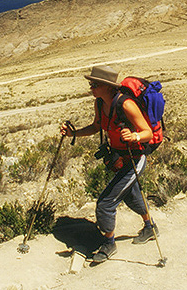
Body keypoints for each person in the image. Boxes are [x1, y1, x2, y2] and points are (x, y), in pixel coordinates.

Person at [60, 65, 158, 262]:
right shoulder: (99, 103)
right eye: (90, 84)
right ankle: (150, 227)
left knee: (105, 203)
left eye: (94, 85)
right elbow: (97, 127)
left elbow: (147, 132)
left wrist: (134, 135)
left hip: (135, 158)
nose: (91, 88)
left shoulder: (126, 105)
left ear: (107, 86)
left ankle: (109, 244)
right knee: (131, 195)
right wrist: (74, 133)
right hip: (120, 158)